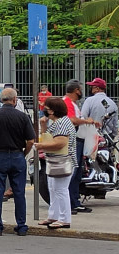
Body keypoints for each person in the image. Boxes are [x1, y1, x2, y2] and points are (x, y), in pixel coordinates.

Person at [0, 88, 35, 236]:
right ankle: (22, 226)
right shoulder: (23, 117)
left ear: (1, 100)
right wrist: (23, 153)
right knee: (19, 192)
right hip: (17, 156)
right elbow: (30, 140)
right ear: (15, 100)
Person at [76, 77, 117, 213]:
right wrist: (111, 135)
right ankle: (101, 192)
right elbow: (115, 125)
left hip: (91, 135)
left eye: (93, 86)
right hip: (107, 137)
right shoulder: (112, 103)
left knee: (87, 162)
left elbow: (83, 117)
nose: (91, 88)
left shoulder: (90, 100)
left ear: (97, 88)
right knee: (105, 162)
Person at [38, 96, 76, 229]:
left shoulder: (61, 124)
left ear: (52, 111)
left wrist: (41, 146)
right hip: (55, 161)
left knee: (60, 190)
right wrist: (43, 127)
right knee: (53, 189)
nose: (44, 111)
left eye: (46, 109)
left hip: (62, 161)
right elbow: (48, 139)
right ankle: (54, 215)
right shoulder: (58, 122)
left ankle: (64, 218)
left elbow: (60, 143)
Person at [62, 79, 90, 213]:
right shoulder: (67, 103)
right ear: (76, 90)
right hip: (73, 141)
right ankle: (69, 203)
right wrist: (86, 121)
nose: (81, 92)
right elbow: (72, 120)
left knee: (77, 174)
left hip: (77, 140)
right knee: (72, 173)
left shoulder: (73, 103)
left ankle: (74, 202)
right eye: (80, 89)